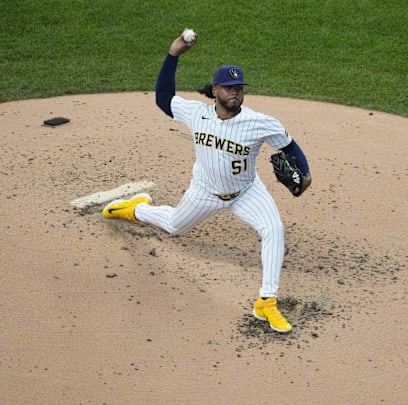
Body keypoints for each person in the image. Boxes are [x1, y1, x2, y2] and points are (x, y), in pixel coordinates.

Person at [102, 30, 312, 333]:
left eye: (239, 88)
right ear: (215, 90)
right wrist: (173, 54)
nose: (235, 93)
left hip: (247, 191)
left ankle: (267, 300)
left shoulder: (260, 122)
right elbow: (163, 99)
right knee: (174, 225)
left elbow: (289, 146)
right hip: (204, 192)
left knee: (273, 228)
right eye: (229, 88)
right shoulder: (196, 113)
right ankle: (135, 209)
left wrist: (305, 175)